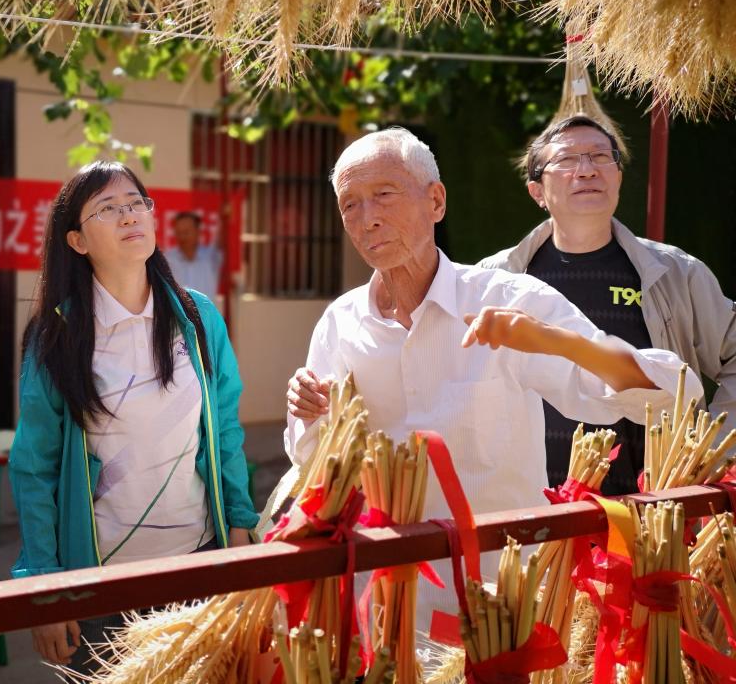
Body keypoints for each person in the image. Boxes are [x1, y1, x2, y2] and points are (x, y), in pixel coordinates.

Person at [284, 127, 696, 628]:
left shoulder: (507, 300)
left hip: (498, 606)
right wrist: (310, 413)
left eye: (384, 194)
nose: (367, 217)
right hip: (384, 605)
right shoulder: (342, 322)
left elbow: (668, 395)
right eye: (350, 204)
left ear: (436, 201)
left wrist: (556, 341)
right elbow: (313, 460)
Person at [9, 161, 258, 673]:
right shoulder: (56, 337)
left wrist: (239, 522)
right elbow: (34, 468)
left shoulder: (197, 318)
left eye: (136, 203)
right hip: (102, 581)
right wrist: (45, 587)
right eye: (107, 208)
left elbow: (224, 429)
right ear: (77, 241)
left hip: (198, 559)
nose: (128, 216)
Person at [480, 114, 736, 495]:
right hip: (532, 509)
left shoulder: (676, 274)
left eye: (601, 156)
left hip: (653, 510)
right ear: (537, 191)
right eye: (566, 159)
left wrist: (716, 449)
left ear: (618, 177)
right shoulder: (496, 279)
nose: (586, 170)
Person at [164, 211, 223, 302]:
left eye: (186, 232)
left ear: (198, 232)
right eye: (179, 232)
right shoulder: (168, 259)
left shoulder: (210, 257)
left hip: (206, 310)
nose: (182, 237)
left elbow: (222, 240)